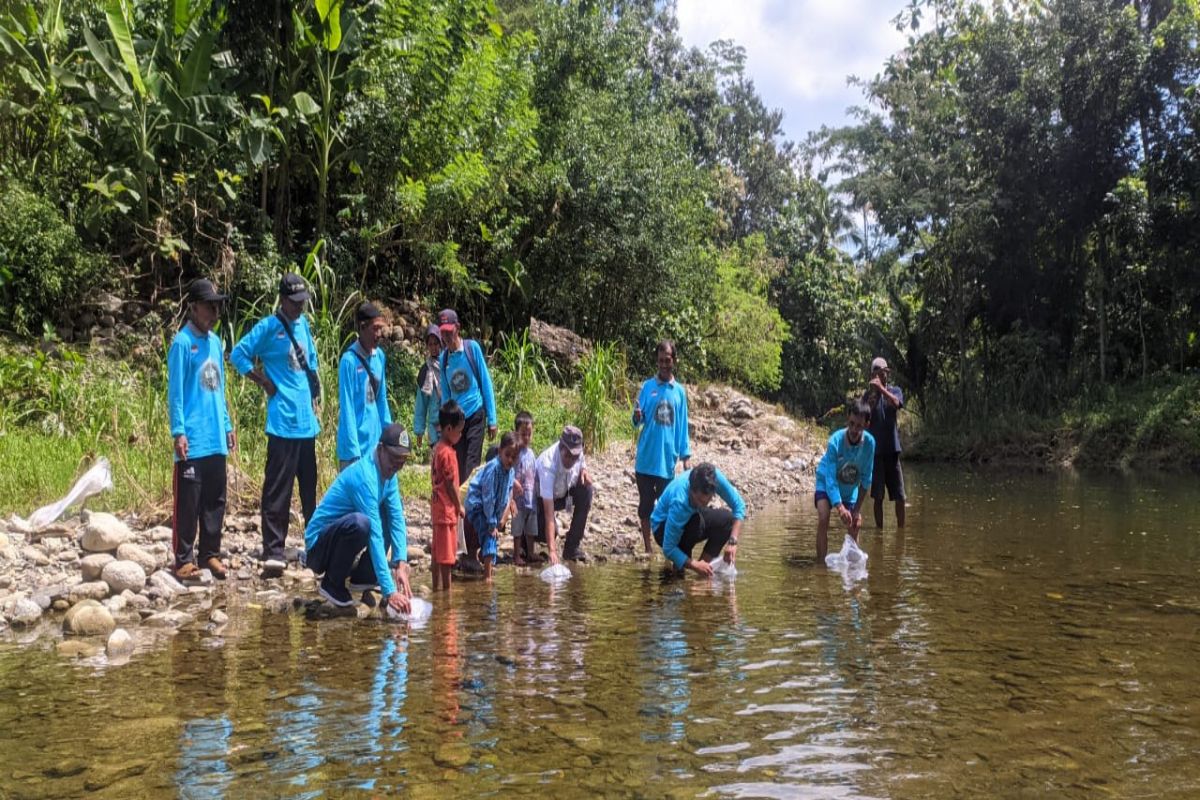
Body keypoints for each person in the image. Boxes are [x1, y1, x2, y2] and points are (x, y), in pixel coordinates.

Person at [231, 273, 321, 576]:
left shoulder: (304, 325)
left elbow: (313, 360)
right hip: (282, 421)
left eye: (302, 303)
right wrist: (264, 381)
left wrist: (315, 391)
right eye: (294, 303)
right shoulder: (269, 328)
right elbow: (238, 354)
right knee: (277, 490)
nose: (299, 308)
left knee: (309, 489)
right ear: (282, 300)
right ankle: (274, 550)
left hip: (307, 424)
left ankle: (316, 544)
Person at [304, 424, 413, 612]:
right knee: (362, 523)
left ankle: (363, 577)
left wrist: (400, 563)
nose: (396, 466)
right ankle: (332, 583)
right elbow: (375, 535)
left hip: (341, 542)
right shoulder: (365, 477)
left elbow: (396, 518)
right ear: (380, 449)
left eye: (402, 462)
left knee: (387, 514)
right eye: (394, 458)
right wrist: (390, 591)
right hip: (318, 548)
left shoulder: (390, 476)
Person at [168, 278, 235, 581]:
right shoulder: (183, 343)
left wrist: (227, 424)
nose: (214, 312)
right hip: (192, 438)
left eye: (217, 306)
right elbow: (176, 393)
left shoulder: (216, 343)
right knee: (189, 502)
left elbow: (219, 389)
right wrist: (178, 431)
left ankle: (210, 554)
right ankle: (183, 559)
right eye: (209, 306)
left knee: (214, 501)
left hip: (215, 438)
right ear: (194, 307)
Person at [632, 340, 691, 553]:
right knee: (646, 506)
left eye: (667, 360)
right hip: (646, 460)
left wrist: (686, 456)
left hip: (667, 461)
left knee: (667, 508)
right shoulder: (648, 387)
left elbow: (683, 425)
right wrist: (637, 416)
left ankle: (668, 548)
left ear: (674, 360)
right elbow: (638, 419)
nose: (664, 365)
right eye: (660, 361)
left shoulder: (679, 392)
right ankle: (648, 548)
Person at [650, 462, 745, 577]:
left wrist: (732, 542)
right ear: (691, 489)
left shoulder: (713, 478)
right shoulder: (680, 501)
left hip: (692, 515)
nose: (702, 504)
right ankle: (678, 572)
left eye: (707, 501)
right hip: (661, 527)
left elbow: (739, 505)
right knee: (695, 523)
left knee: (727, 521)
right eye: (698, 500)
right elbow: (668, 548)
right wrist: (694, 565)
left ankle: (705, 570)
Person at [436, 308, 497, 481]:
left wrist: (492, 419)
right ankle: (462, 504)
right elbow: (446, 394)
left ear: (458, 328)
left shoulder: (472, 348)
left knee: (472, 463)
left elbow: (485, 382)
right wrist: (444, 423)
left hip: (476, 413)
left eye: (450, 332)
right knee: (459, 463)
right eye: (443, 333)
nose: (447, 337)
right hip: (457, 420)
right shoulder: (444, 359)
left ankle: (469, 503)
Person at [814, 399, 876, 562]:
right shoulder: (835, 441)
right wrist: (840, 507)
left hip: (850, 486)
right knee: (823, 516)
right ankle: (821, 566)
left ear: (867, 425)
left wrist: (856, 510)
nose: (854, 430)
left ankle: (852, 572)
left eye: (859, 426)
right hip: (826, 482)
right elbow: (830, 478)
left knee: (855, 524)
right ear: (848, 419)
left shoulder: (870, 444)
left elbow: (866, 478)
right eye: (852, 424)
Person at [337, 302, 392, 471]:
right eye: (375, 329)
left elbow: (381, 400)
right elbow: (347, 408)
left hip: (375, 444)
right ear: (362, 327)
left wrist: (389, 435)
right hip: (355, 448)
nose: (379, 334)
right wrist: (354, 453)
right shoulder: (349, 361)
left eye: (380, 329)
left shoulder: (379, 357)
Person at [464, 432, 519, 581]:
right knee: (490, 534)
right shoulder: (493, 468)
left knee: (492, 534)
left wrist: (501, 515)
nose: (510, 460)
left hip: (491, 508)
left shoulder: (511, 472)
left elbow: (507, 492)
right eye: (507, 455)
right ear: (500, 451)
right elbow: (488, 497)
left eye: (514, 457)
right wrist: (492, 522)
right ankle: (487, 577)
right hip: (478, 504)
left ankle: (485, 560)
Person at [535, 425, 593, 563]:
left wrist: (584, 469)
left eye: (575, 457)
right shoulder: (548, 465)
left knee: (587, 490)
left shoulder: (577, 453)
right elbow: (549, 512)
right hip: (539, 500)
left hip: (564, 493)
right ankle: (527, 539)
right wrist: (552, 551)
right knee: (550, 533)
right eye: (568, 456)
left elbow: (581, 460)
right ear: (561, 447)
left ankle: (571, 548)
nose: (571, 460)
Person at [863, 356, 906, 529]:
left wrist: (882, 390)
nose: (883, 376)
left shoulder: (895, 391)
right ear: (873, 374)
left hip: (893, 451)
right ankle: (879, 532)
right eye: (879, 373)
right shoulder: (867, 397)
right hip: (876, 453)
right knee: (878, 497)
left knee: (900, 496)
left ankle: (901, 531)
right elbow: (863, 419)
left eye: (885, 372)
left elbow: (897, 404)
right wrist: (873, 399)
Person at [431, 401, 466, 591]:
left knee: (437, 553)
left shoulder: (437, 448)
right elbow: (451, 485)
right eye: (459, 431)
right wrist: (459, 505)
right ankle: (447, 593)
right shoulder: (448, 453)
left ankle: (435, 588)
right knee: (446, 557)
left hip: (437, 509)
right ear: (449, 428)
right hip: (446, 510)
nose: (461, 436)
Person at [511, 411, 539, 565]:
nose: (527, 438)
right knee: (517, 530)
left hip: (530, 499)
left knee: (531, 530)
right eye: (523, 434)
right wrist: (514, 483)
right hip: (518, 500)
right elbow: (509, 471)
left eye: (529, 434)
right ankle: (516, 555)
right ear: (516, 433)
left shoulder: (531, 454)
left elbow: (535, 474)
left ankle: (531, 552)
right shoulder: (514, 453)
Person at [413, 324, 443, 449]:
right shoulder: (425, 371)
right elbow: (421, 404)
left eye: (436, 343)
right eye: (430, 344)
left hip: (450, 425)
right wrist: (419, 431)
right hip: (434, 428)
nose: (434, 347)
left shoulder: (449, 364)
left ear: (441, 343)